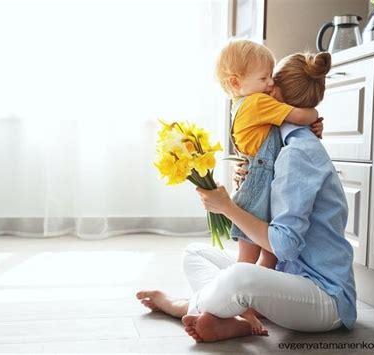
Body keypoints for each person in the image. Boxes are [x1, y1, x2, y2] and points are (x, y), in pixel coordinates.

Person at [136, 51, 357, 343]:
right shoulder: (281, 144)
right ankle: (234, 317)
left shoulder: (298, 154)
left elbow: (285, 246)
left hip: (323, 297)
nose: (263, 87)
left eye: (269, 80)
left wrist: (226, 207)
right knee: (195, 253)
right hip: (286, 279)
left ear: (274, 96)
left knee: (240, 276)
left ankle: (182, 306)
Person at [214, 39, 323, 332]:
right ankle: (238, 307)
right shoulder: (259, 102)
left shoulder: (240, 105)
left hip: (257, 183)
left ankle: (246, 307)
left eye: (271, 75)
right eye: (264, 78)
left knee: (262, 256)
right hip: (260, 187)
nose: (270, 82)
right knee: (254, 258)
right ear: (237, 82)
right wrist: (313, 114)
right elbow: (298, 115)